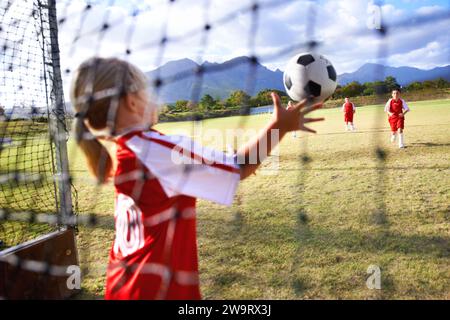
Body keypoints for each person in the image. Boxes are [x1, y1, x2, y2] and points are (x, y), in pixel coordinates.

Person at [70, 57, 324, 300]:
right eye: (147, 89)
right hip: (155, 291)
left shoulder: (128, 150)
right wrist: (279, 126)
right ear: (131, 102)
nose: (153, 97)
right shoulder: (153, 150)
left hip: (123, 285)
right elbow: (238, 167)